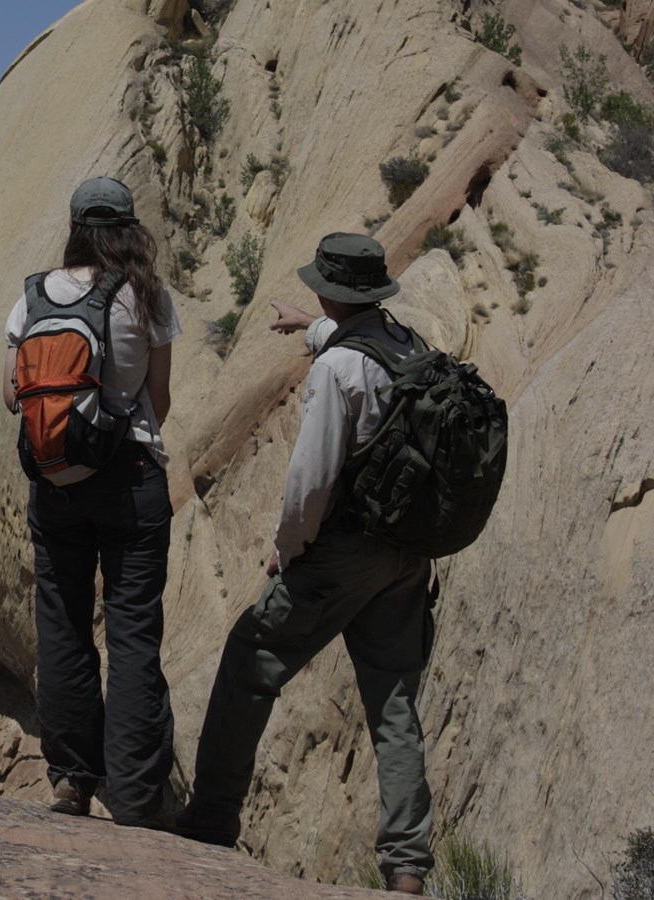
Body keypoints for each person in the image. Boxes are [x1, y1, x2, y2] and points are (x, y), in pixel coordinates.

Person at [171, 233, 435, 895]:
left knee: (248, 660)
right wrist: (310, 326)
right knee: (394, 703)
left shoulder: (335, 371)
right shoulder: (409, 347)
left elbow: (311, 481)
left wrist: (287, 549)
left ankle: (210, 820)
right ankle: (406, 865)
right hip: (406, 554)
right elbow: (358, 348)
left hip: (340, 555)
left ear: (331, 290)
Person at [2, 176, 181, 828]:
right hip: (129, 478)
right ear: (129, 227)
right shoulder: (145, 297)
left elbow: (10, 395)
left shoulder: (33, 296)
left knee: (63, 625)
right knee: (133, 634)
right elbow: (159, 403)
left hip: (54, 483)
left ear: (75, 226)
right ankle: (135, 799)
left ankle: (73, 780)